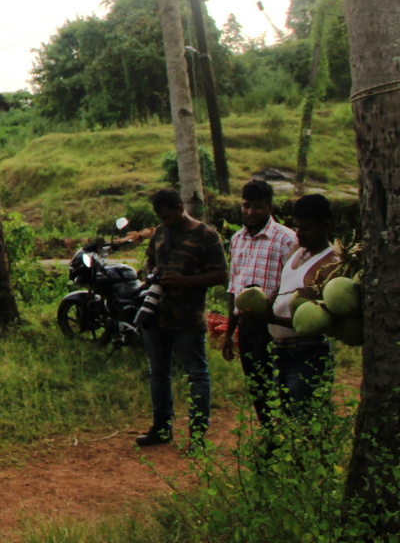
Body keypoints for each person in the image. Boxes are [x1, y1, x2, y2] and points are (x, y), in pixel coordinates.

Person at [136, 188, 229, 450]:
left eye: (168, 216)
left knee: (196, 374)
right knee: (158, 373)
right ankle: (161, 428)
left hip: (188, 319)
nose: (164, 221)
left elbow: (222, 275)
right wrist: (150, 274)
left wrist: (185, 281)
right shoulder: (160, 232)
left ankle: (198, 435)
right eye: (159, 217)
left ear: (180, 209)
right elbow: (149, 260)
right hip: (157, 315)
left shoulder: (206, 236)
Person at [252, 194, 340, 419]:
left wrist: (269, 319)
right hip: (280, 349)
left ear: (325, 227)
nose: (299, 234)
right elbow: (281, 286)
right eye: (297, 227)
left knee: (305, 421)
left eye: (306, 229)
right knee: (286, 420)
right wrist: (265, 302)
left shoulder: (331, 265)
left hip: (307, 352)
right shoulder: (296, 250)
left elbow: (317, 321)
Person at [222, 179, 297, 428]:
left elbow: (292, 283)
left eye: (258, 207)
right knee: (256, 383)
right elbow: (234, 287)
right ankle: (268, 431)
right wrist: (229, 332)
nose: (250, 212)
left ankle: (283, 435)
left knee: (277, 383)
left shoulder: (286, 239)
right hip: (246, 326)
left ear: (270, 208)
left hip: (273, 326)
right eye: (246, 206)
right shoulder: (237, 239)